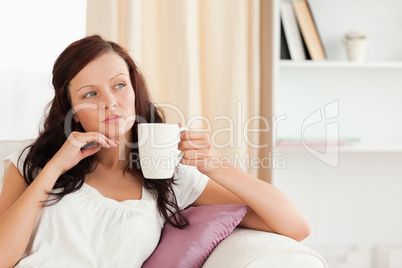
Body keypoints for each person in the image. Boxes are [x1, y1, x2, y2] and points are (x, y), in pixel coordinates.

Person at [0, 35, 309, 267]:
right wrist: (54, 169)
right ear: (73, 111)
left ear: (135, 90)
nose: (110, 101)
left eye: (119, 85)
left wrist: (216, 165)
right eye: (90, 93)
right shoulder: (33, 162)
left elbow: (295, 226)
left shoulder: (169, 176)